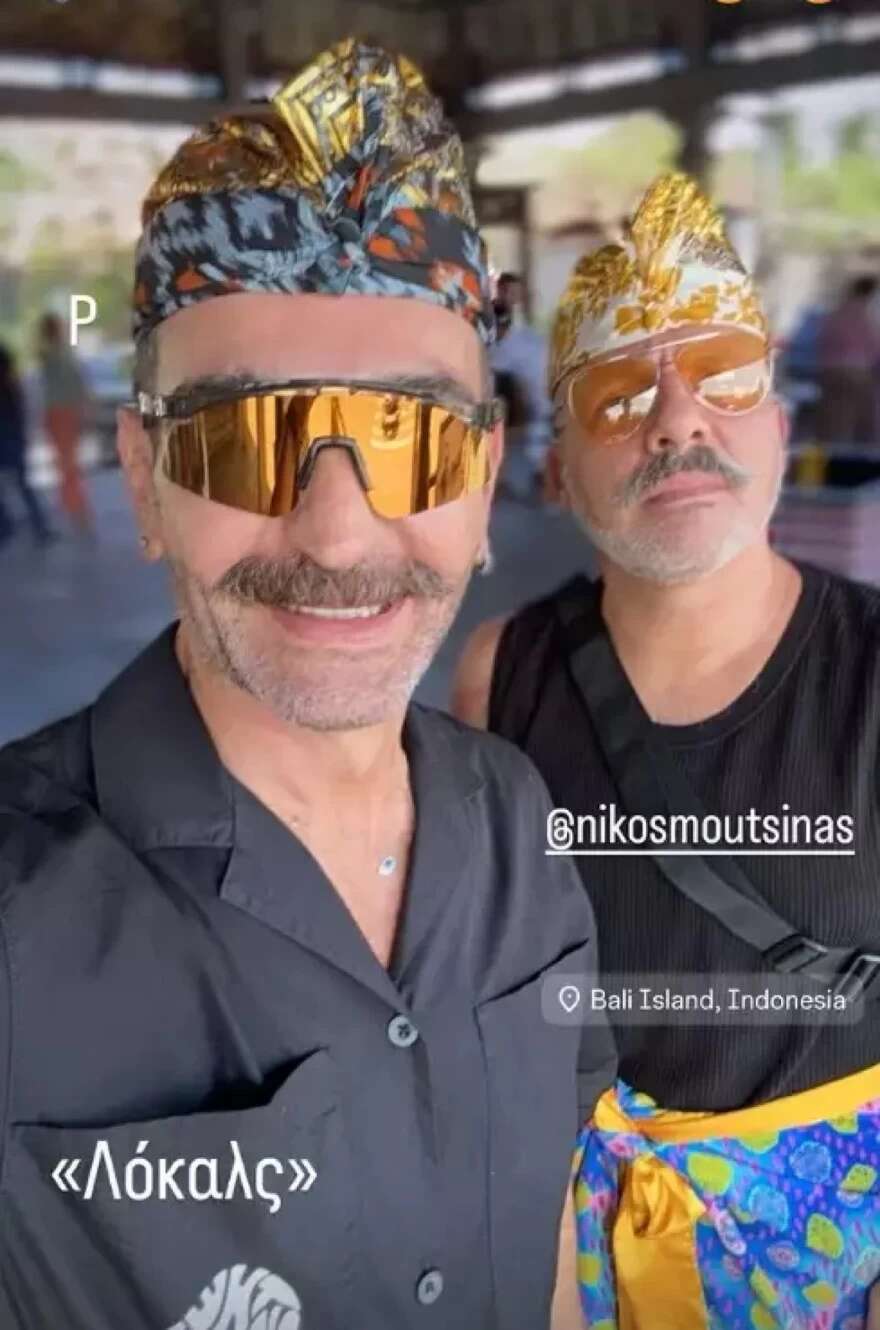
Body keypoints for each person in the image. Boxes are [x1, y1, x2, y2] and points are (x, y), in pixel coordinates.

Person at [0, 40, 614, 1330]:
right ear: (145, 481)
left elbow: (551, 1223)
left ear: (483, 479)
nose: (335, 536)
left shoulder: (517, 817)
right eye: (243, 437)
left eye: (412, 435)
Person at [454, 173, 880, 1328]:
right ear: (555, 467)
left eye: (724, 375)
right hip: (571, 1258)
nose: (677, 419)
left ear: (778, 424)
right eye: (616, 395)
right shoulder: (499, 673)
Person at [490, 271, 553, 502]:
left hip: (528, 370)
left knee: (542, 402)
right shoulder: (494, 314)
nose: (513, 296)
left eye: (516, 292)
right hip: (500, 366)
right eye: (508, 291)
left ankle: (541, 468)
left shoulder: (530, 330)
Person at [36, 309, 94, 534]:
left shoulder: (53, 354)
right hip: (63, 413)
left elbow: (71, 385)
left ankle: (76, 510)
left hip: (60, 413)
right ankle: (76, 510)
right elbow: (76, 384)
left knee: (66, 466)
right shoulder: (59, 354)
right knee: (67, 466)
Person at [0, 343, 53, 548]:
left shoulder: (10, 387)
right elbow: (18, 408)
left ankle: (6, 527)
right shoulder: (10, 387)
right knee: (23, 483)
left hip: (9, 433)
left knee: (16, 484)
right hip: (11, 434)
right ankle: (38, 526)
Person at [817, 275, 880, 445]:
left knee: (832, 413)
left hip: (830, 369)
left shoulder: (836, 312)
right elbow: (874, 344)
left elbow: (824, 339)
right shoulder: (867, 314)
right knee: (855, 414)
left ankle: (831, 447)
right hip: (857, 370)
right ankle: (846, 449)